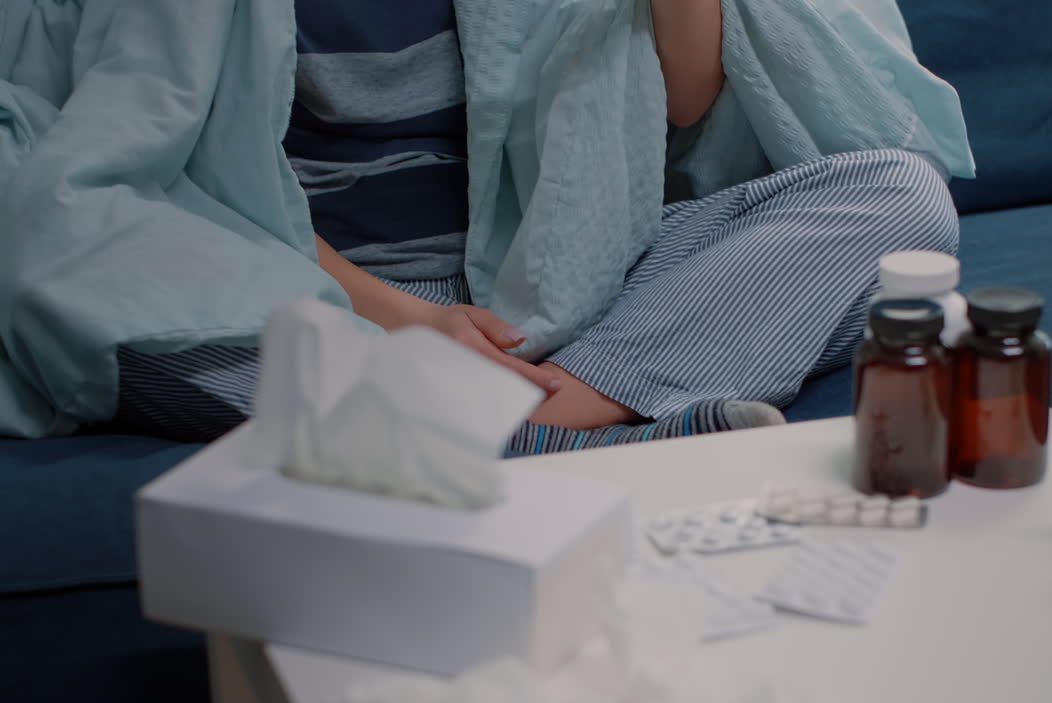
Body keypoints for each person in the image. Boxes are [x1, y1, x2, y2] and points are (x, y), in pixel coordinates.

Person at [113, 0, 959, 453]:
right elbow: (210, 191)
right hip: (334, 293)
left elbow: (688, 99)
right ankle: (584, 437)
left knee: (900, 201)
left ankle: (570, 401)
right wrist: (414, 320)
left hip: (558, 273)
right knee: (128, 324)